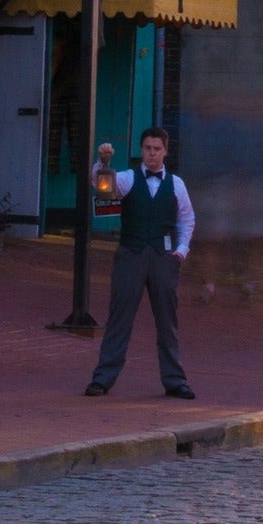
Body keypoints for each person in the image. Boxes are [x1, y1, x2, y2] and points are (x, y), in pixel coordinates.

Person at [86, 127, 196, 400]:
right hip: (131, 255)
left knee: (167, 321)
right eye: (147, 148)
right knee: (119, 318)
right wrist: (104, 164)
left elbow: (187, 219)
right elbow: (103, 187)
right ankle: (102, 379)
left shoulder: (177, 184)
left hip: (163, 257)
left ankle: (175, 381)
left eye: (157, 149)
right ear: (141, 150)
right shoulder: (128, 178)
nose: (152, 153)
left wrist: (181, 250)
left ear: (165, 151)